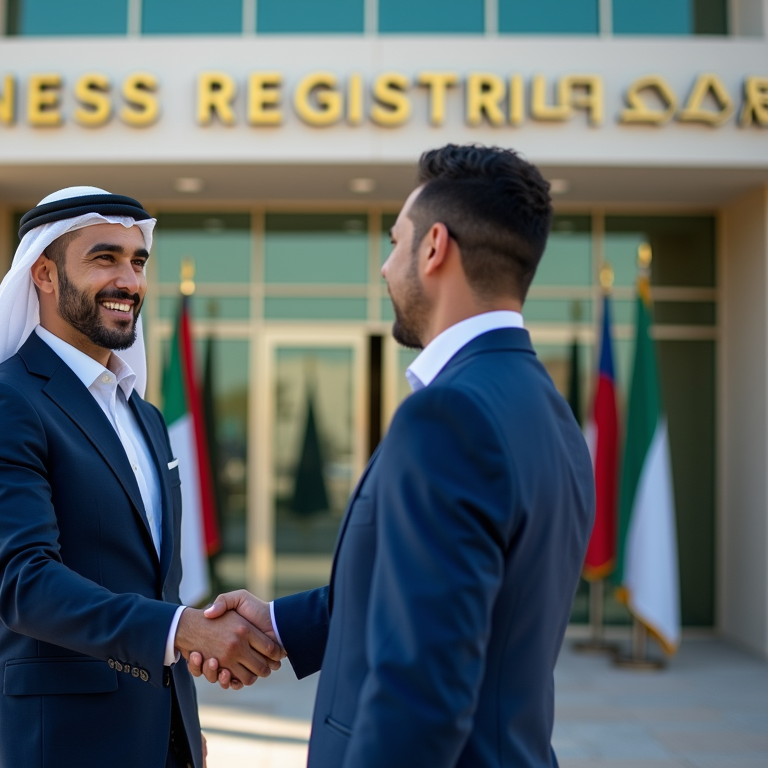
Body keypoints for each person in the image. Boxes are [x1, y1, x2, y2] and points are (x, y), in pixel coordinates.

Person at [190, 146, 596, 767]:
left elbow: (421, 690)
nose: (384, 267)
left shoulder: (450, 416)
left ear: (434, 248)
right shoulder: (551, 412)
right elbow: (430, 592)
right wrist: (276, 622)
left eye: (394, 241)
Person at [0, 187, 284, 768]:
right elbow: (24, 583)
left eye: (138, 261)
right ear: (42, 272)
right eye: (104, 258)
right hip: (55, 745)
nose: (130, 280)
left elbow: (149, 582)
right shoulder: (0, 404)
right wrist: (184, 630)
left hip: (159, 740)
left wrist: (179, 727)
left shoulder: (142, 414)